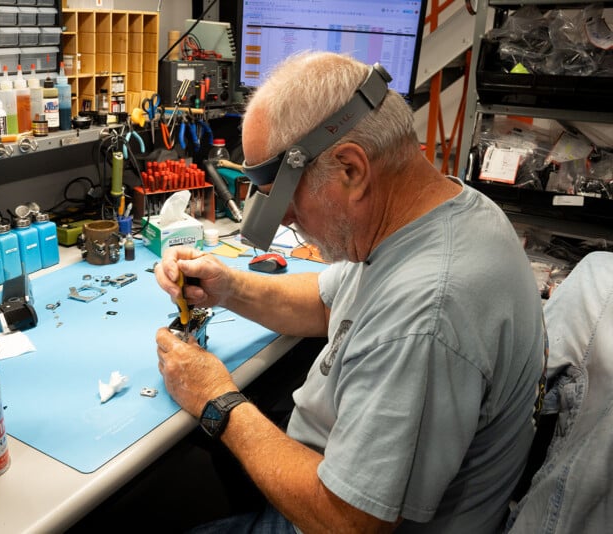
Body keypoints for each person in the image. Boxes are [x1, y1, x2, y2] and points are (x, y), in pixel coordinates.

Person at [154, 51, 547, 533]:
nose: (281, 219)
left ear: (351, 170)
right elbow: (326, 301)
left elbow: (349, 521)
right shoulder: (434, 214)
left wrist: (217, 399)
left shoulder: (428, 312)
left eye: (284, 195)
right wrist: (228, 286)